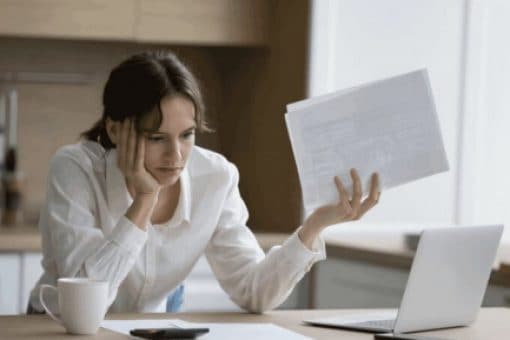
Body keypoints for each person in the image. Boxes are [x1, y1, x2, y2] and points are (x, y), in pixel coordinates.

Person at [28, 51, 381, 314]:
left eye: (187, 135)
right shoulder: (75, 169)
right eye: (156, 138)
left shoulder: (216, 177)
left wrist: (316, 224)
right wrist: (144, 202)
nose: (176, 156)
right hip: (54, 329)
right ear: (115, 129)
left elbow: (253, 291)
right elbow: (83, 305)